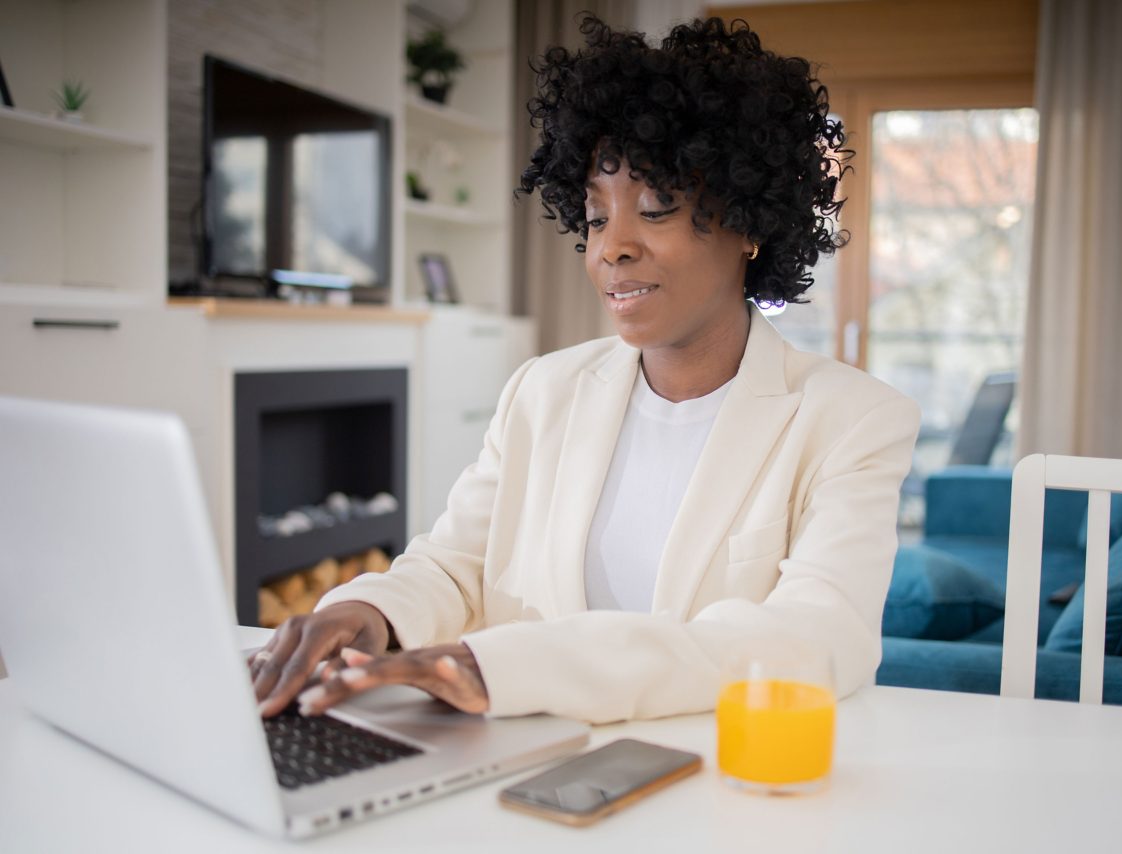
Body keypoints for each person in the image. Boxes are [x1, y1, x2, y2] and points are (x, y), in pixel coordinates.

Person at [251, 16, 920, 725]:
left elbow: (817, 638)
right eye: (597, 218)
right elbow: (456, 563)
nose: (613, 249)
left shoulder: (853, 420)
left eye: (657, 208)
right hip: (518, 775)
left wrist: (508, 666)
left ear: (750, 223)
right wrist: (369, 612)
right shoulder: (541, 391)